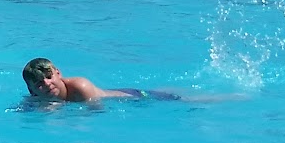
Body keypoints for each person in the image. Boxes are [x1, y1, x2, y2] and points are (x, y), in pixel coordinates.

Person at [21, 57, 175, 105]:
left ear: (58, 73)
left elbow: (97, 112)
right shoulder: (34, 100)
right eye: (39, 84)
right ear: (32, 91)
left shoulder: (80, 87)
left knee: (179, 99)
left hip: (134, 98)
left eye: (49, 77)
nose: (47, 84)